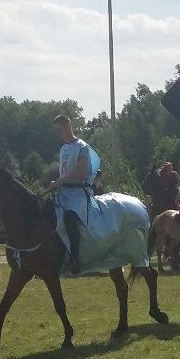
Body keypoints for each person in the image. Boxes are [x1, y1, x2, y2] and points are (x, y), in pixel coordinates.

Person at [49, 114, 101, 274]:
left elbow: (82, 171)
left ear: (68, 127)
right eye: (55, 131)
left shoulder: (82, 147)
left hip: (79, 192)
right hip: (64, 192)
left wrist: (60, 180)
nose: (57, 133)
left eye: (59, 130)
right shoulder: (63, 148)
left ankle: (75, 259)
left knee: (69, 218)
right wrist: (56, 183)